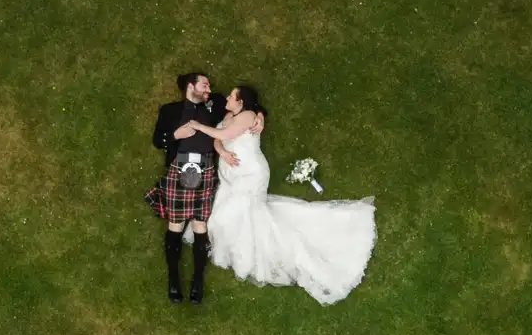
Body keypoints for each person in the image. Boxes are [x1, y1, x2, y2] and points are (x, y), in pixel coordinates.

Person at [181, 87, 375, 305]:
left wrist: (197, 126)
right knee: (226, 213)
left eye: (231, 95)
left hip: (250, 174)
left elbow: (224, 135)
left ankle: (263, 251)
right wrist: (222, 152)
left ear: (241, 101)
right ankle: (235, 243)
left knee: (239, 214)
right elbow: (219, 139)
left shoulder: (248, 116)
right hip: (230, 177)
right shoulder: (229, 116)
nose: (227, 98)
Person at [145, 72, 235, 304]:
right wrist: (177, 134)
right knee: (175, 224)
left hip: (205, 168)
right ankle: (173, 279)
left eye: (209, 85)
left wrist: (261, 115)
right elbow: (158, 141)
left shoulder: (214, 104)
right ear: (190, 86)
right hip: (179, 166)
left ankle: (197, 281)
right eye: (204, 84)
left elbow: (243, 107)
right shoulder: (170, 110)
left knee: (199, 223)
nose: (208, 88)